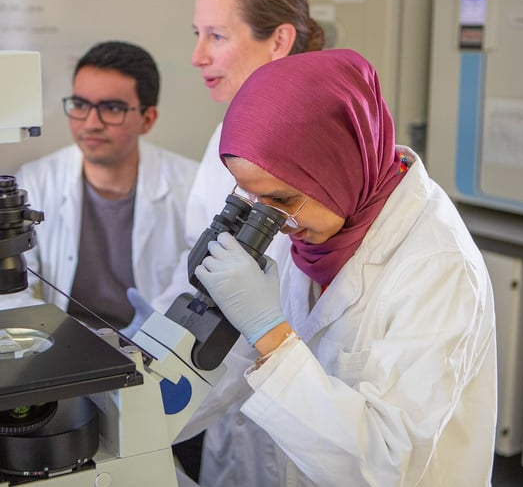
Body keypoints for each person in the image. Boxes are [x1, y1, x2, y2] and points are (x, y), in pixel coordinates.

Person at [192, 48, 497, 486]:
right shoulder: (312, 231)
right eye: (251, 199)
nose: (276, 224)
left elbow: (387, 464)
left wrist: (272, 337)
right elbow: (229, 370)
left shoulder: (438, 267)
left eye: (280, 200)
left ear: (336, 168)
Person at [140, 0, 325, 486]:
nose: (197, 56)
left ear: (279, 40)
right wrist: (142, 362)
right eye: (197, 35)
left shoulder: (306, 144)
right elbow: (201, 272)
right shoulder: (233, 127)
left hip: (282, 400)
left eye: (216, 36)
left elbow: (257, 314)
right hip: (232, 398)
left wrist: (143, 421)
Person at [0, 41, 198, 337]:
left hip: (158, 348)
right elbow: (1, 295)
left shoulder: (192, 185)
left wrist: (152, 335)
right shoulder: (36, 181)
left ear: (147, 119)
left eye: (112, 108)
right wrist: (54, 336)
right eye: (80, 105)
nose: (91, 123)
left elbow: (199, 289)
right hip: (62, 347)